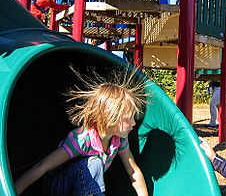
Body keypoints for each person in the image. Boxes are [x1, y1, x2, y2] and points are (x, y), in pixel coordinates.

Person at [15, 67, 149, 196]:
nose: (134, 123)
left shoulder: (119, 139)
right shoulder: (82, 139)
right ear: (110, 119)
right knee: (94, 163)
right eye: (128, 118)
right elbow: (42, 166)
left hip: (86, 188)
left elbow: (133, 172)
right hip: (57, 186)